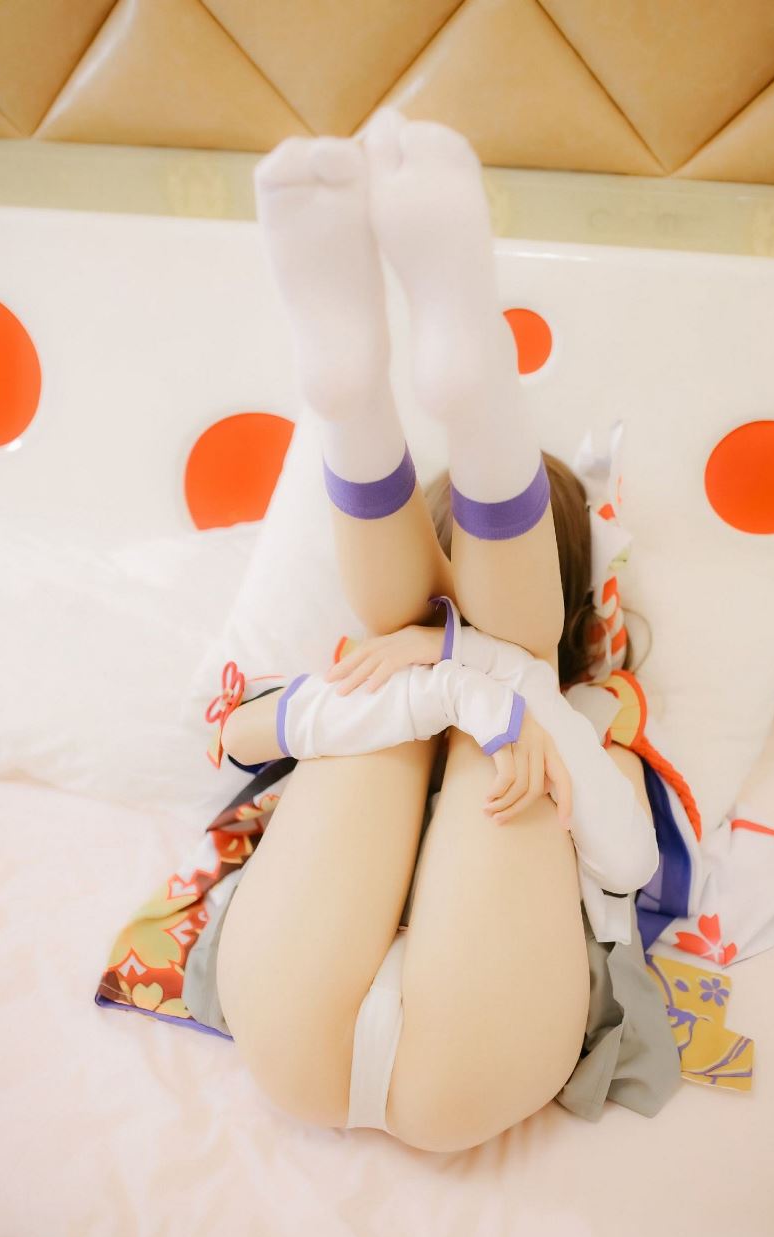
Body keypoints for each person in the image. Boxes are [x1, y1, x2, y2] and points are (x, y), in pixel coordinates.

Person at [213, 108, 661, 1153]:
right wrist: (449, 671)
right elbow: (239, 734)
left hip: (368, 1042)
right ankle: (387, 391)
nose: (446, 605)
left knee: (481, 714)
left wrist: (476, 674)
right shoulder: (386, 655)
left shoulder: (585, 713)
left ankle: (366, 403)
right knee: (400, 697)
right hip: (357, 1034)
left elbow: (629, 860)